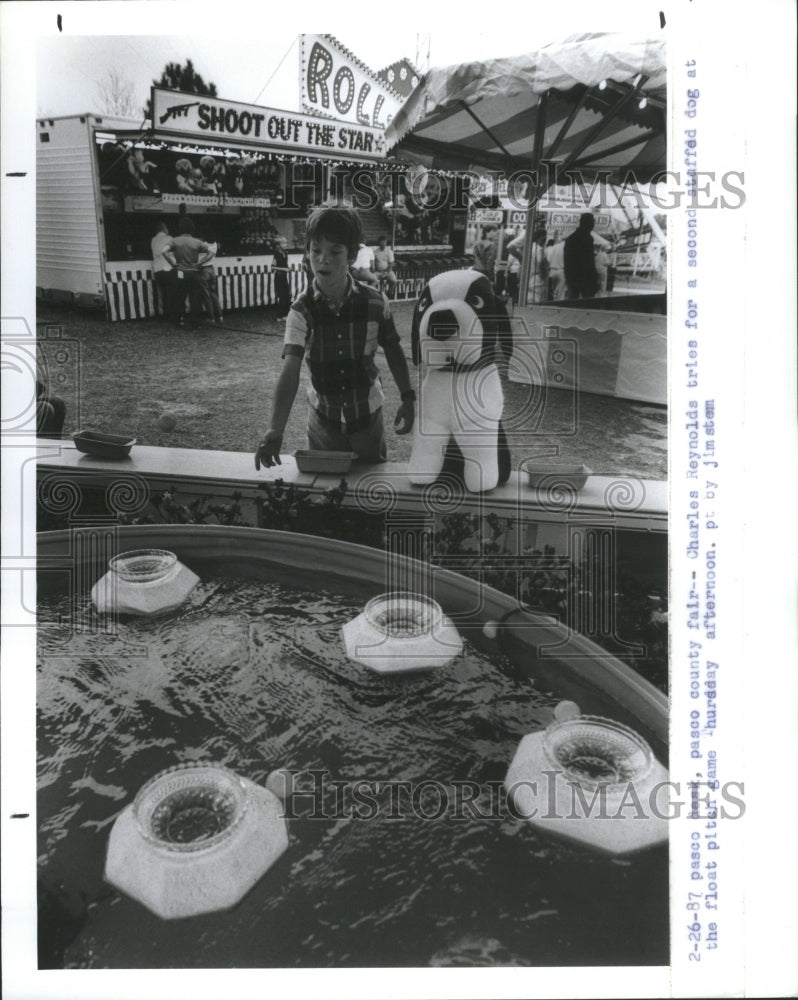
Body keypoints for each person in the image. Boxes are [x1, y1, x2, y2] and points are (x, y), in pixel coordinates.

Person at [255, 207, 415, 469]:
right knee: (324, 496)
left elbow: (394, 348)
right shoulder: (300, 310)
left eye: (334, 252)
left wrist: (408, 397)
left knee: (368, 485)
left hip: (368, 418)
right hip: (323, 423)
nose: (323, 260)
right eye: (316, 251)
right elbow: (290, 368)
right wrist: (275, 429)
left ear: (352, 255)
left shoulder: (376, 302)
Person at [162, 217, 214, 328]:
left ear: (180, 228)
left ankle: (179, 320)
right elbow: (211, 252)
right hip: (194, 273)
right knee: (195, 298)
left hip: (180, 273)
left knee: (179, 297)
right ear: (192, 229)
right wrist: (200, 263)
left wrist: (173, 264)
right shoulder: (197, 241)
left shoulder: (174, 240)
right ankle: (195, 322)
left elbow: (164, 251)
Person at [563, 213, 599, 299]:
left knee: (573, 303)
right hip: (585, 278)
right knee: (588, 304)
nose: (593, 225)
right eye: (592, 222)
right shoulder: (586, 238)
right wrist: (593, 279)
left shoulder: (571, 238)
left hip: (573, 278)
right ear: (586, 223)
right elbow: (589, 262)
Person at [151, 222, 179, 325]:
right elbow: (175, 251)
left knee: (163, 294)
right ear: (164, 229)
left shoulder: (153, 240)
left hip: (157, 270)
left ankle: (166, 315)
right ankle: (173, 316)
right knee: (171, 294)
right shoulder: (169, 238)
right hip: (168, 268)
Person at [199, 232, 223, 323]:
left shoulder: (203, 245)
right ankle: (220, 316)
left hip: (204, 270)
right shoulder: (215, 244)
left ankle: (211, 317)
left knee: (206, 295)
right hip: (212, 270)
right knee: (213, 294)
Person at [272, 236, 292, 319]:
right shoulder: (276, 254)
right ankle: (279, 316)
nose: (285, 244)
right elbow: (273, 267)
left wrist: (288, 269)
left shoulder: (285, 254)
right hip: (279, 277)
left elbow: (285, 265)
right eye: (283, 243)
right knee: (282, 296)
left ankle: (285, 314)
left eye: (286, 243)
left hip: (284, 277)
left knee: (287, 295)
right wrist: (284, 269)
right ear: (279, 245)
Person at [546, 237, 565, 301]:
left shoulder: (555, 247)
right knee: (561, 292)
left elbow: (549, 258)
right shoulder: (568, 247)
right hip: (562, 271)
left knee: (552, 290)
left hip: (552, 270)